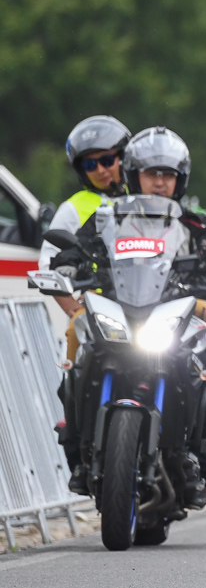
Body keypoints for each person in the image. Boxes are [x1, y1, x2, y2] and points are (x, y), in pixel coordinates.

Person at [52, 127, 206, 506]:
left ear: (180, 179)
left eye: (168, 174)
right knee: (75, 361)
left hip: (175, 311)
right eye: (152, 173)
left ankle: (198, 465)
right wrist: (68, 263)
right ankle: (78, 454)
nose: (160, 182)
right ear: (133, 175)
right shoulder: (107, 218)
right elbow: (75, 250)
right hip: (119, 309)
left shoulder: (196, 224)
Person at [41, 116, 131, 494]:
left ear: (125, 158)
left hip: (150, 307)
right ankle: (77, 448)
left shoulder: (150, 200)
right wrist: (77, 312)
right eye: (90, 164)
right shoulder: (74, 209)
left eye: (108, 159)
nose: (101, 170)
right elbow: (50, 266)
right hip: (99, 311)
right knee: (74, 373)